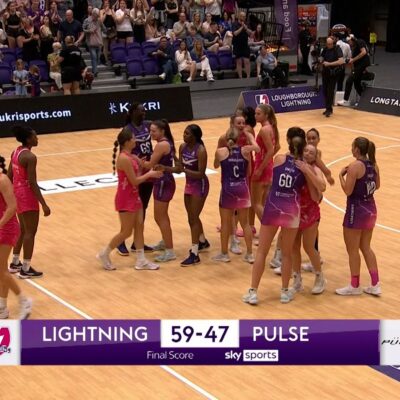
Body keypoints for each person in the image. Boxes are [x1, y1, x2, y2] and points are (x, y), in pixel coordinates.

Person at [242, 127, 321, 305]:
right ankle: (285, 292)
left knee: (262, 251)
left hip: (273, 207)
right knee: (287, 253)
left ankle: (253, 291)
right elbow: (315, 195)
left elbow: (273, 179)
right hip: (291, 212)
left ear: (289, 144)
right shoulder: (305, 168)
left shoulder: (278, 159)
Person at [97, 128, 162, 271]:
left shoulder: (132, 156)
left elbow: (141, 170)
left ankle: (141, 260)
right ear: (127, 142)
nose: (135, 140)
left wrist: (146, 167)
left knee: (139, 226)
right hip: (125, 198)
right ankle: (104, 253)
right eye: (133, 138)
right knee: (126, 232)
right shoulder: (124, 159)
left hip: (134, 196)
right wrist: (149, 174)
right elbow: (134, 181)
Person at [336, 137, 381, 296]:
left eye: (352, 146)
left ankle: (354, 286)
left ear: (356, 149)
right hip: (371, 209)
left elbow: (348, 191)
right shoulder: (373, 164)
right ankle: (375, 284)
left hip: (356, 210)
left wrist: (341, 176)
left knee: (353, 249)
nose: (351, 149)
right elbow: (377, 185)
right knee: (366, 247)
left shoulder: (355, 166)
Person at [7, 126, 51, 279]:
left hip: (17, 194)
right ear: (28, 139)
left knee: (23, 229)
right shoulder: (30, 157)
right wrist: (44, 204)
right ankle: (25, 268)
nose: (37, 138)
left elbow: (9, 176)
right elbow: (32, 182)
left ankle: (15, 262)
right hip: (27, 195)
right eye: (34, 136)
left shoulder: (15, 152)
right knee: (30, 232)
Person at [212, 124, 258, 264]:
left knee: (225, 223)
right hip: (242, 188)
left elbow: (215, 165)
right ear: (239, 138)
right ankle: (250, 254)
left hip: (228, 189)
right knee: (245, 223)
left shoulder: (220, 152)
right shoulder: (245, 151)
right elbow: (249, 172)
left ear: (226, 138)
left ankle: (224, 254)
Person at [117, 103, 155, 256]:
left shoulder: (148, 125)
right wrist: (136, 161)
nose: (144, 111)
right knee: (130, 209)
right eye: (141, 110)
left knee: (143, 207)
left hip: (148, 170)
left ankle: (137, 242)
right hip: (135, 171)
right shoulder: (127, 130)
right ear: (132, 112)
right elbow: (123, 153)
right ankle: (121, 241)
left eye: (145, 109)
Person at [0, 155, 32, 320]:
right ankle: (2, 307)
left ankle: (24, 301)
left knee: (1, 270)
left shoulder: (3, 180)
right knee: (2, 269)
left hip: (8, 227)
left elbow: (12, 207)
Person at [291, 144, 327, 294]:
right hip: (295, 212)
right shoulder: (295, 165)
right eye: (305, 150)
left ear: (315, 156)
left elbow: (322, 187)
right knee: (294, 247)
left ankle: (320, 277)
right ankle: (297, 279)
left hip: (310, 213)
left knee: (308, 246)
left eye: (311, 153)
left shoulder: (316, 169)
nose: (307, 154)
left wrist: (307, 171)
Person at [141, 120, 177, 263]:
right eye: (150, 130)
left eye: (154, 131)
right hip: (165, 180)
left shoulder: (161, 145)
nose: (151, 133)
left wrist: (137, 160)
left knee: (160, 217)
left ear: (162, 131)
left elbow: (150, 164)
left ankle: (170, 251)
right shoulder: (168, 142)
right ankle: (165, 242)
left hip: (163, 181)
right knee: (162, 216)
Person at [178, 124, 210, 266]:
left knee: (193, 218)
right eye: (184, 133)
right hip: (189, 184)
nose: (184, 135)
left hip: (200, 184)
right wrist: (165, 168)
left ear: (195, 136)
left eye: (187, 134)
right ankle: (202, 241)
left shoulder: (201, 150)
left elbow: (200, 174)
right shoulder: (182, 147)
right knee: (191, 216)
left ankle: (195, 253)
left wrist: (183, 170)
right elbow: (179, 167)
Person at [251, 104, 280, 221]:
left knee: (256, 203)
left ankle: (267, 228)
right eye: (255, 113)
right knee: (263, 203)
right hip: (269, 166)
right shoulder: (272, 127)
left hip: (261, 166)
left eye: (258, 114)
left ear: (266, 115)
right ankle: (268, 227)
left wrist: (260, 169)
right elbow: (277, 147)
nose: (255, 116)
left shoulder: (264, 130)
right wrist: (268, 162)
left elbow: (271, 150)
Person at [337, 36, 371, 107]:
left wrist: (353, 60)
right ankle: (365, 100)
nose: (348, 43)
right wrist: (352, 68)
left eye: (349, 42)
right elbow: (352, 60)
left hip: (362, 65)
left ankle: (345, 100)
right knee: (356, 84)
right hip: (358, 66)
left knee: (349, 80)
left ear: (352, 40)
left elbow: (364, 52)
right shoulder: (354, 48)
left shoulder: (359, 41)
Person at [319, 36, 344, 117]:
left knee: (330, 90)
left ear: (334, 43)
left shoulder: (337, 49)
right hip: (325, 72)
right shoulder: (325, 49)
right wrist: (320, 60)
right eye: (327, 44)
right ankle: (327, 107)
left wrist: (329, 64)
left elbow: (341, 61)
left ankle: (329, 109)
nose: (328, 45)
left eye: (330, 44)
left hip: (333, 73)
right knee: (325, 90)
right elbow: (322, 57)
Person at [232, 11, 251, 79]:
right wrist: (242, 27)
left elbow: (250, 33)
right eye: (242, 16)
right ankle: (240, 78)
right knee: (239, 61)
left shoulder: (247, 24)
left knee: (247, 61)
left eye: (244, 16)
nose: (244, 17)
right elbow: (235, 33)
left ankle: (248, 77)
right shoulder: (234, 24)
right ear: (239, 16)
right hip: (237, 44)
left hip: (245, 44)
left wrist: (246, 28)